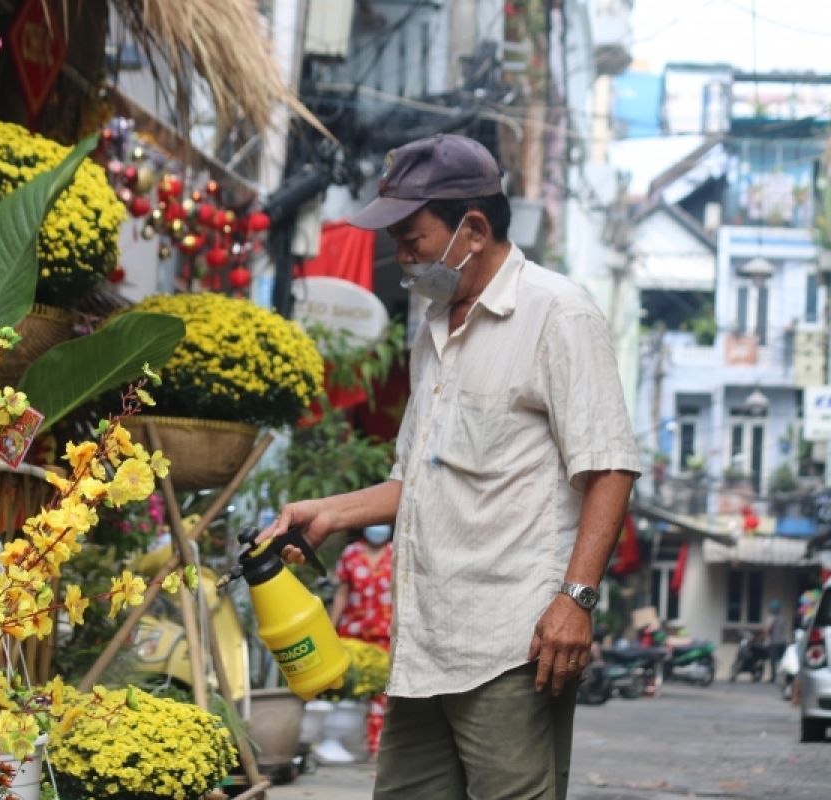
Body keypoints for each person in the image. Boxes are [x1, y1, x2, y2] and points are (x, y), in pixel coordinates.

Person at [260, 134, 639, 800]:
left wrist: (575, 601)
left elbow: (609, 467)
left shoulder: (558, 314)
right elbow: (421, 477)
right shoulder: (432, 331)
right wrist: (327, 513)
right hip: (425, 646)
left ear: (474, 228)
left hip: (514, 647)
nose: (401, 257)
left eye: (413, 239)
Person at [330, 524, 394, 757]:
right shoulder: (351, 554)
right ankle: (340, 742)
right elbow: (342, 593)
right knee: (349, 685)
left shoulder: (397, 553)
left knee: (383, 693)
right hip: (353, 632)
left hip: (386, 633)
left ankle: (378, 748)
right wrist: (330, 628)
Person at [765, 599, 787, 682]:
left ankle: (774, 677)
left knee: (773, 661)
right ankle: (782, 677)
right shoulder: (782, 618)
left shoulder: (771, 618)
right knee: (781, 660)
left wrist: (761, 636)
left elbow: (768, 628)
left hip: (774, 642)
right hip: (782, 642)